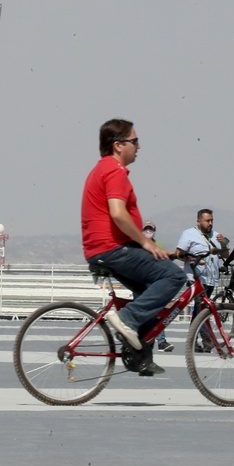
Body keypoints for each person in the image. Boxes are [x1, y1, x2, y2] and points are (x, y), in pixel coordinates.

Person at [80, 119, 184, 377]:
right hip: (113, 248)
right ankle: (127, 320)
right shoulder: (114, 171)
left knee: (151, 291)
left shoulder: (101, 169)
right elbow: (118, 214)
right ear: (118, 145)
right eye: (134, 141)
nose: (139, 146)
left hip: (105, 248)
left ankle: (140, 355)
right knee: (174, 276)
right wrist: (145, 242)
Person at [174, 209, 229, 351]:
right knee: (202, 308)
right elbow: (178, 254)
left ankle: (193, 341)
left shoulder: (216, 236)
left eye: (212, 220)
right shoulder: (189, 234)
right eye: (207, 220)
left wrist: (223, 244)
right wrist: (195, 260)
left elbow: (225, 254)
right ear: (199, 222)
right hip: (196, 278)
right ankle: (207, 339)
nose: (210, 223)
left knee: (199, 310)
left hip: (211, 279)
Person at [139, 220, 173, 352]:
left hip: (155, 281)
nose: (148, 232)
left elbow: (164, 261)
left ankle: (161, 341)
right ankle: (144, 341)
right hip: (142, 281)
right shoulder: (139, 244)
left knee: (158, 312)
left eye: (150, 229)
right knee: (145, 312)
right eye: (146, 229)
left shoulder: (159, 244)